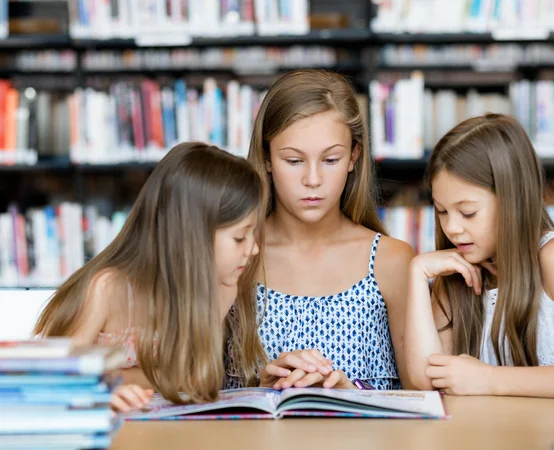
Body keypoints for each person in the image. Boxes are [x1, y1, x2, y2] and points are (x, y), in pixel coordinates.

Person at [34, 142, 266, 410]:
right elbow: (52, 380)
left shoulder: (224, 288)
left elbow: (193, 379)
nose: (254, 249)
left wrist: (113, 377)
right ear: (192, 237)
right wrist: (101, 391)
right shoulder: (107, 289)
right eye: (240, 237)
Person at [227, 69, 415, 390]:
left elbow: (423, 399)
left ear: (354, 157)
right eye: (294, 161)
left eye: (330, 160)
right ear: (267, 158)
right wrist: (261, 388)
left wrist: (350, 396)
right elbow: (198, 391)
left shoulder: (392, 260)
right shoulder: (236, 255)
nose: (312, 180)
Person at [402, 114, 554, 398]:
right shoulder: (458, 269)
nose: (453, 228)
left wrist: (490, 379)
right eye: (442, 211)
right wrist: (418, 272)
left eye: (468, 212)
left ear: (512, 202)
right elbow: (426, 379)